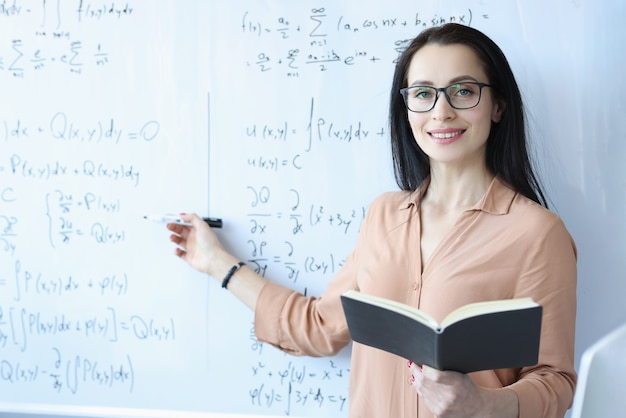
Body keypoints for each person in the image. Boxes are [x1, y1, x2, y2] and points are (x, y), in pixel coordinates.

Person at [167, 23, 577, 418]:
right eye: (423, 94)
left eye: (463, 91)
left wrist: (484, 406)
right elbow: (319, 327)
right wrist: (217, 262)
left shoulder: (537, 234)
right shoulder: (384, 215)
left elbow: (554, 381)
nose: (442, 111)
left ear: (498, 106)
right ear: (407, 108)